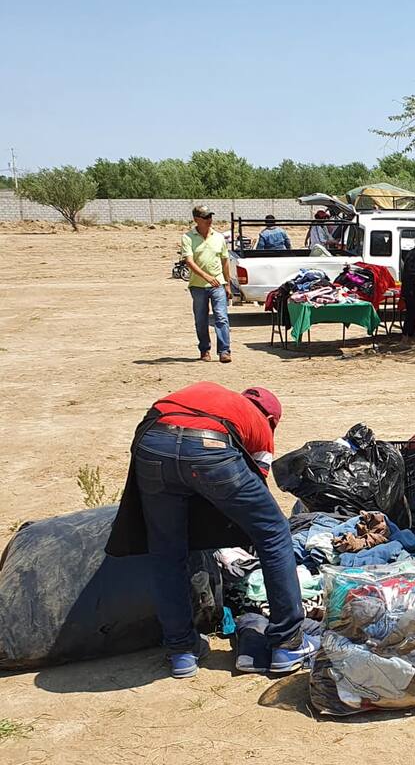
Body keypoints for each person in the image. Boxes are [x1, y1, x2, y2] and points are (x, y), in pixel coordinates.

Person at [105, 382, 317, 678]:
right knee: (273, 533)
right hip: (209, 445)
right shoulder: (261, 426)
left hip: (152, 442)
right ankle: (288, 642)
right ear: (271, 420)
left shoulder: (218, 397)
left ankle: (181, 651)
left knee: (166, 551)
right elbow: (255, 497)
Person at [181, 205, 233, 363]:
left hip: (218, 284)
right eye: (205, 217)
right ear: (196, 219)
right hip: (197, 286)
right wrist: (206, 276)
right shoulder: (188, 238)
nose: (209, 220)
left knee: (221, 317)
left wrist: (227, 284)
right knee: (201, 320)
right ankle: (204, 349)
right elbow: (189, 262)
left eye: (210, 216)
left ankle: (224, 351)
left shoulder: (218, 237)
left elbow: (225, 261)